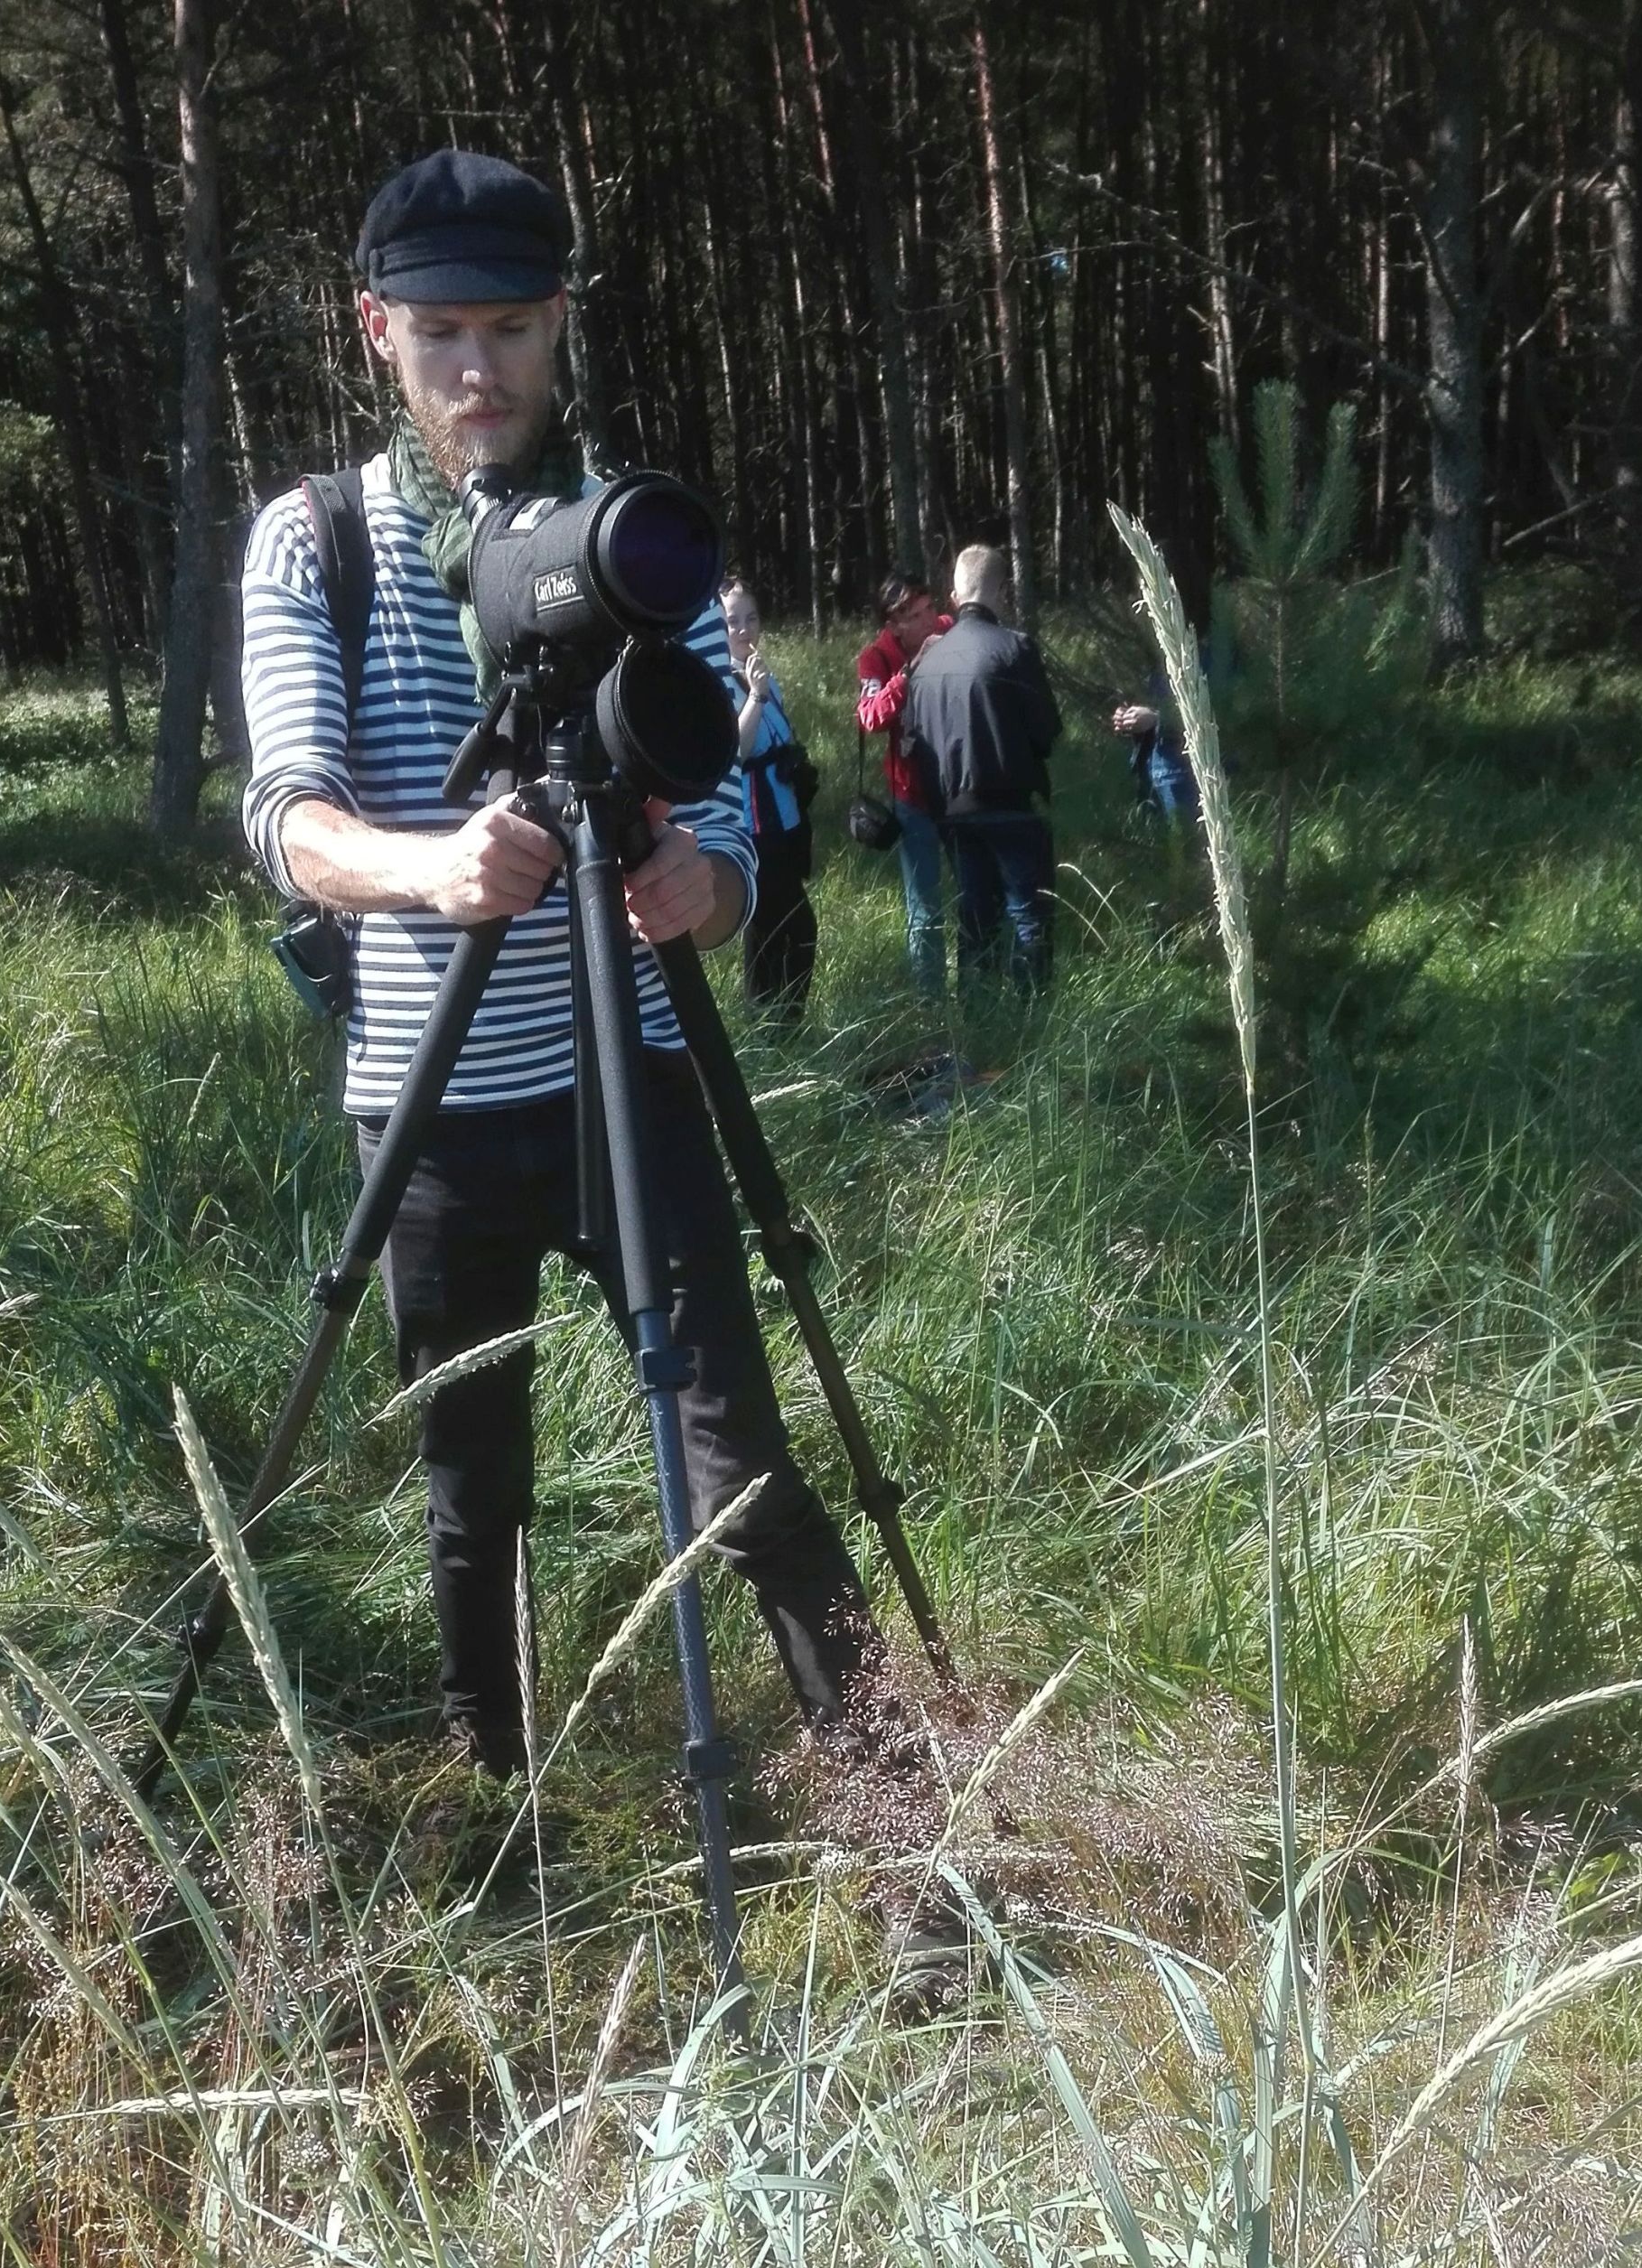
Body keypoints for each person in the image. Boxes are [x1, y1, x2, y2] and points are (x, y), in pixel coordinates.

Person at [239, 147, 881, 1782]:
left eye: (513, 330)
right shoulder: (314, 542)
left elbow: (727, 815)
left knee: (743, 1458)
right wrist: (431, 869)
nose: (478, 370)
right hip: (431, 1110)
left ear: (559, 324)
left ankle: (901, 1801)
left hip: (630, 1084)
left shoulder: (632, 540)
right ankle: (501, 1814)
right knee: (476, 1490)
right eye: (443, 331)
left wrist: (707, 884)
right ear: (373, 328)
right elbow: (291, 818)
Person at [903, 545, 1062, 996]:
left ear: (954, 594)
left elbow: (913, 743)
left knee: (975, 918)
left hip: (952, 814)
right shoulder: (1015, 648)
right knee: (1029, 917)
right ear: (1003, 592)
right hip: (1011, 806)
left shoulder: (926, 663)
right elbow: (1046, 731)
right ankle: (1032, 1023)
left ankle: (979, 1019)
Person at [721, 579, 816, 1025]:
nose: (744, 629)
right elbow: (735, 751)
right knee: (774, 930)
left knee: (791, 928)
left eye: (751, 618)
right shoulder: (722, 680)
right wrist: (755, 696)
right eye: (733, 621)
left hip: (788, 818)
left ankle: (785, 1023)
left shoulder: (761, 671)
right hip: (755, 825)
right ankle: (767, 1026)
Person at [856, 571, 953, 996]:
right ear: (894, 625)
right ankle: (930, 1000)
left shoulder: (949, 630)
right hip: (911, 795)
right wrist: (911, 672)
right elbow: (870, 716)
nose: (931, 619)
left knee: (975, 889)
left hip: (958, 787)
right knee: (926, 907)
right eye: (916, 615)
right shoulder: (876, 658)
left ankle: (978, 985)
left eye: (930, 607)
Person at [1112, 687, 1197, 823]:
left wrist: (1156, 719)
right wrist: (1129, 718)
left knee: (1188, 839)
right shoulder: (1151, 671)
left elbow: (1220, 712)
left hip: (1182, 776)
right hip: (1148, 775)